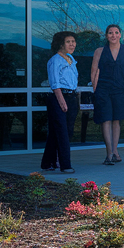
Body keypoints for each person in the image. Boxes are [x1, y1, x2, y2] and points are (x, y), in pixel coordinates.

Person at [89, 24, 124, 166]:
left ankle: (115, 151)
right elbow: (94, 71)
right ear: (106, 35)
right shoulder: (99, 51)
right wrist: (95, 89)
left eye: (116, 32)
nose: (113, 35)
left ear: (120, 35)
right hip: (103, 90)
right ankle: (109, 153)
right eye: (110, 33)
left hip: (121, 90)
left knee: (116, 120)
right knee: (106, 119)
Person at [41, 31, 78, 173]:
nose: (72, 44)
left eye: (73, 41)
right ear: (61, 44)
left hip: (71, 96)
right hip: (58, 98)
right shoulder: (55, 60)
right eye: (68, 42)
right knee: (62, 132)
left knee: (62, 132)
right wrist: (62, 102)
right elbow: (55, 83)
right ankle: (65, 165)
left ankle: (47, 162)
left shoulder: (70, 59)